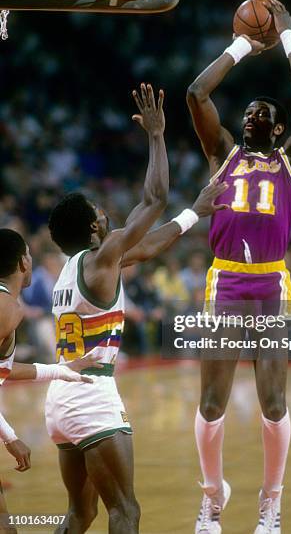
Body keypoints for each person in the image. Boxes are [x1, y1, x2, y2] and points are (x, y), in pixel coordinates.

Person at [46, 83, 229, 534]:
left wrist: (195, 214)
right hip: (92, 394)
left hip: (61, 398)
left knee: (80, 513)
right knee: (125, 512)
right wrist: (156, 135)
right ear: (94, 227)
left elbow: (147, 245)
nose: (109, 217)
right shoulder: (103, 257)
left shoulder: (76, 269)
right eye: (102, 214)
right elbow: (153, 201)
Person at [186, 0, 291, 533]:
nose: (250, 117)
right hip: (225, 281)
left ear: (281, 131)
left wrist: (285, 32)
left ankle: (271, 502)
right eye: (247, 113)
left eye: (262, 114)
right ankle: (213, 497)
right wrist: (243, 43)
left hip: (270, 284)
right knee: (213, 404)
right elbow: (197, 93)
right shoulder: (222, 152)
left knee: (273, 402)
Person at [0, 228, 98, 534]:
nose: (31, 258)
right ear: (22, 263)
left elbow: (3, 369)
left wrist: (59, 369)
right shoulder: (7, 310)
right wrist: (10, 436)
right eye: (28, 253)